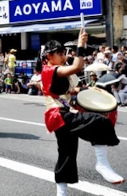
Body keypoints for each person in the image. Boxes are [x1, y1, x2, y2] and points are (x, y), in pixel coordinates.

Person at [39, 29, 124, 196]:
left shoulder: (62, 71)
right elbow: (77, 66)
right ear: (49, 56)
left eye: (64, 53)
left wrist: (92, 89)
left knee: (66, 154)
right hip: (60, 115)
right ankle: (101, 164)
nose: (64, 57)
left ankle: (61, 193)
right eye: (60, 54)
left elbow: (75, 89)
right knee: (101, 121)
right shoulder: (49, 70)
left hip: (61, 117)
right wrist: (80, 44)